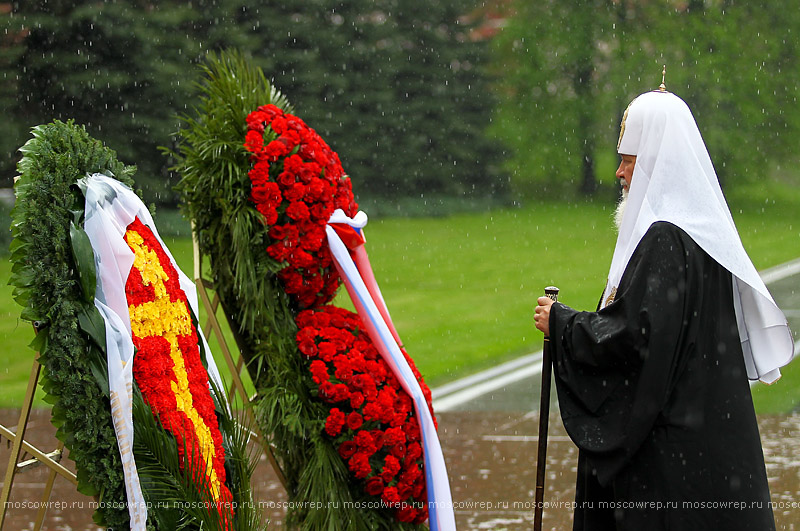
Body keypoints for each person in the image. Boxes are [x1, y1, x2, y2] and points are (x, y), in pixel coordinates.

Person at [533, 86, 794, 530]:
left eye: (628, 161)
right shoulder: (701, 235)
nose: (619, 173)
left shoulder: (666, 239)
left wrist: (561, 324)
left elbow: (635, 338)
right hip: (707, 435)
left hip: (670, 452)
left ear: (653, 163)